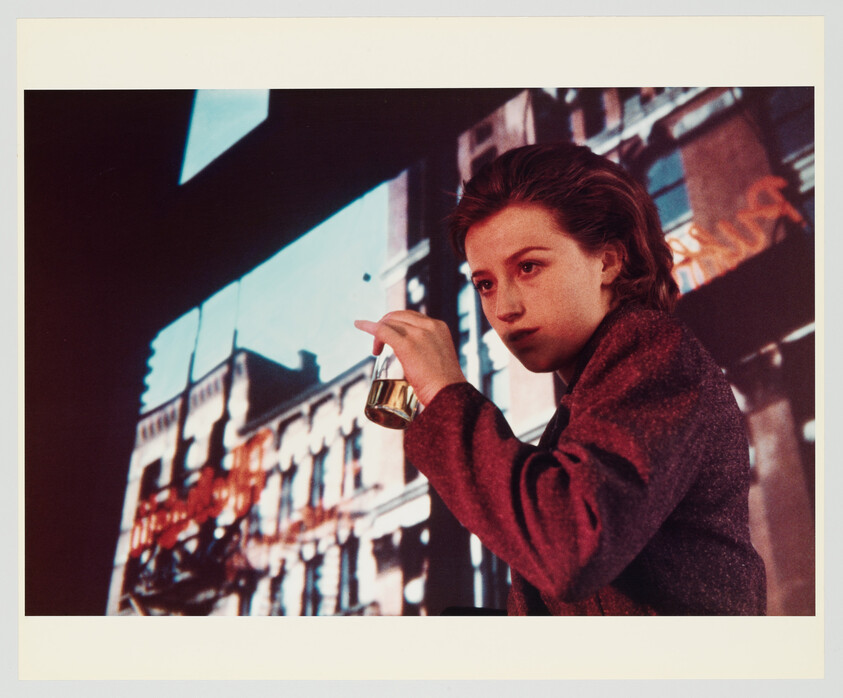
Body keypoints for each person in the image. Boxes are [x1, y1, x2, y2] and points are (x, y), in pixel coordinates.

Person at [354, 141, 766, 615]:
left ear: (608, 261)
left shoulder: (653, 348)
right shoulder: (590, 399)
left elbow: (570, 546)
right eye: (485, 284)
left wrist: (446, 393)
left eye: (528, 267)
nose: (504, 308)